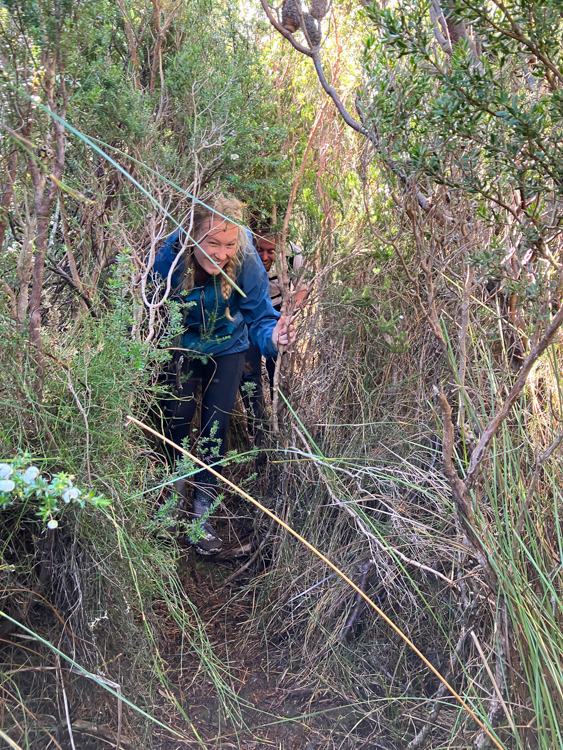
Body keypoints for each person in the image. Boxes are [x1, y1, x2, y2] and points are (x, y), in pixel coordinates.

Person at [152, 196, 294, 555]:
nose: (221, 253)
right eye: (212, 243)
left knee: (216, 428)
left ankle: (203, 517)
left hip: (229, 347)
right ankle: (171, 505)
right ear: (191, 236)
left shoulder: (246, 255)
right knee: (177, 426)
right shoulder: (170, 256)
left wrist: (274, 338)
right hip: (181, 347)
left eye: (228, 244)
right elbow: (150, 312)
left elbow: (262, 318)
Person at [240, 229, 306, 446]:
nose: (265, 257)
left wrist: (288, 315)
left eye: (271, 251)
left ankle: (283, 428)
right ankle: (258, 431)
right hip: (249, 317)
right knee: (249, 376)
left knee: (278, 373)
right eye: (259, 250)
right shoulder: (242, 251)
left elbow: (302, 288)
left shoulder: (293, 253)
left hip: (279, 316)